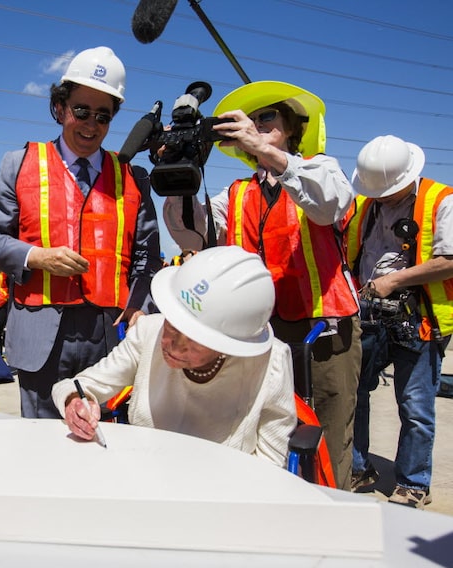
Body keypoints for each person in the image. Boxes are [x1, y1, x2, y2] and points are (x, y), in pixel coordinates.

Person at [162, 81, 361, 490]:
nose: (255, 125)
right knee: (262, 425)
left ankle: (329, 511)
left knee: (326, 430)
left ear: (290, 129)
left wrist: (272, 155)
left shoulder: (320, 170)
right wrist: (178, 169)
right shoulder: (235, 193)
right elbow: (189, 235)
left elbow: (329, 206)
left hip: (323, 329)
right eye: (249, 121)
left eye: (266, 118)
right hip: (258, 333)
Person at [0, 46, 161, 418]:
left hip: (109, 336)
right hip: (40, 336)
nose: (91, 124)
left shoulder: (132, 178)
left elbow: (147, 258)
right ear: (60, 108)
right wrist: (37, 256)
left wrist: (139, 306)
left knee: (106, 440)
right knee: (42, 447)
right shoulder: (20, 163)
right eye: (81, 111)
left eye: (103, 116)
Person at [53, 246, 297, 468]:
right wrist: (74, 401)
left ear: (229, 346)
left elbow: (272, 466)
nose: (173, 345)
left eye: (195, 338)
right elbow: (73, 387)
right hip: (147, 479)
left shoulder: (270, 363)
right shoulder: (148, 332)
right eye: (172, 323)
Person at [345, 135, 453, 508]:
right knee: (353, 394)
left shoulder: (442, 201)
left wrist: (393, 281)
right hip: (370, 315)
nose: (384, 197)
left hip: (418, 318)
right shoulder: (365, 204)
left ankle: (413, 483)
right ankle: (357, 468)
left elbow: (450, 260)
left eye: (390, 191)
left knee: (415, 405)